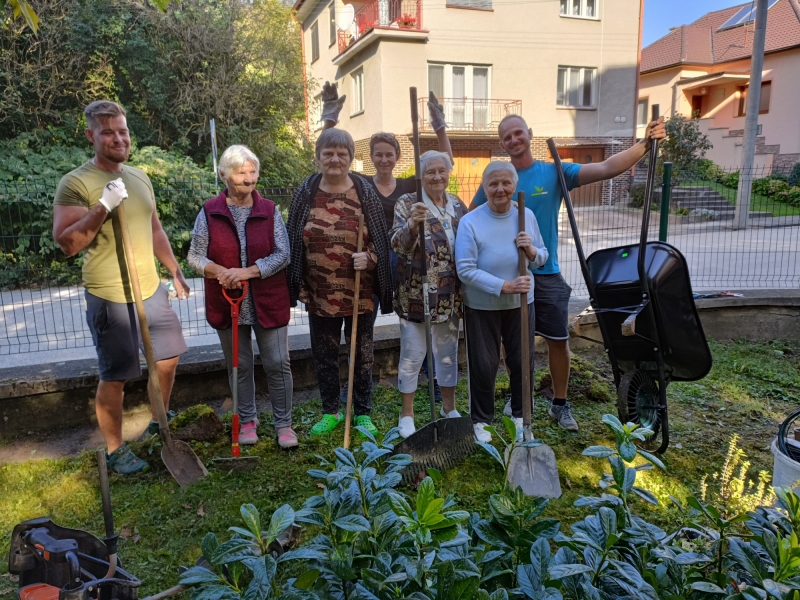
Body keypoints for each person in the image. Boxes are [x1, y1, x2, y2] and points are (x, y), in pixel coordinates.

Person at [470, 114, 666, 431]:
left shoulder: (554, 172)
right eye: (507, 137)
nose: (514, 140)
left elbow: (606, 168)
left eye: (518, 133)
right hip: (511, 278)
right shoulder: (499, 179)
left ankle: (559, 404)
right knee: (513, 342)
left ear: (529, 134)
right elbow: (473, 216)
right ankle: (518, 397)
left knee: (558, 340)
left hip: (545, 273)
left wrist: (644, 144)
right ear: (502, 143)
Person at [52, 100, 190, 474]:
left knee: (169, 357)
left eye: (122, 131)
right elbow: (67, 244)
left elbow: (155, 229)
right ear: (90, 136)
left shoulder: (140, 176)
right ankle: (115, 449)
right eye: (108, 132)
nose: (118, 138)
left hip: (150, 289)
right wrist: (103, 206)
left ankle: (157, 419)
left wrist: (174, 270)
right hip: (110, 295)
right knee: (116, 375)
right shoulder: (76, 183)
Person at [320, 82, 453, 404]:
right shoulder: (361, 183)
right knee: (362, 328)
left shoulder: (411, 183)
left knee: (422, 319)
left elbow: (445, 161)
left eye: (389, 154)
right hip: (372, 264)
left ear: (397, 156)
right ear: (371, 157)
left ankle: (433, 381)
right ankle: (355, 387)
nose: (383, 159)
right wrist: (329, 118)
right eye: (378, 154)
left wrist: (439, 125)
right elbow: (328, 159)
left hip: (406, 264)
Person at [187, 145, 296, 449]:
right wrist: (221, 271)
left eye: (253, 172)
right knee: (238, 365)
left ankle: (284, 424)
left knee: (278, 363)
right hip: (228, 302)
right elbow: (194, 257)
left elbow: (283, 254)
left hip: (267, 300)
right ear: (224, 175)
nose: (249, 179)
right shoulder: (209, 212)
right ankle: (247, 420)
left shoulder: (270, 210)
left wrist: (246, 272)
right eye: (241, 172)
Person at [286, 128, 393, 437]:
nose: (335, 159)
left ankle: (362, 413)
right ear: (318, 157)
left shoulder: (364, 192)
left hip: (359, 292)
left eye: (341, 154)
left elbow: (381, 241)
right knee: (324, 356)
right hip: (320, 293)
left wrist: (369, 258)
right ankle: (330, 411)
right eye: (328, 153)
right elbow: (294, 237)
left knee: (362, 355)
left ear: (350, 158)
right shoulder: (306, 191)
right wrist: (300, 286)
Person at [455, 161, 548, 443]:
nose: (500, 189)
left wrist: (531, 250)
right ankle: (481, 420)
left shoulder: (526, 216)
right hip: (482, 306)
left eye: (506, 183)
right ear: (484, 187)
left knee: (523, 361)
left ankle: (521, 417)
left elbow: (543, 256)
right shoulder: (470, 221)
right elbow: (465, 269)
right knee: (484, 364)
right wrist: (504, 286)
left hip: (521, 305)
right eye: (493, 183)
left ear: (515, 186)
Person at [390, 150, 467, 438]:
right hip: (416, 294)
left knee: (447, 354)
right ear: (422, 175)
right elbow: (397, 244)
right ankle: (406, 414)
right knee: (413, 353)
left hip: (450, 295)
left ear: (448, 174)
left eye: (441, 171)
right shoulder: (408, 202)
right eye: (430, 171)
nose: (437, 176)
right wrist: (411, 225)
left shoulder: (458, 205)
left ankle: (449, 408)